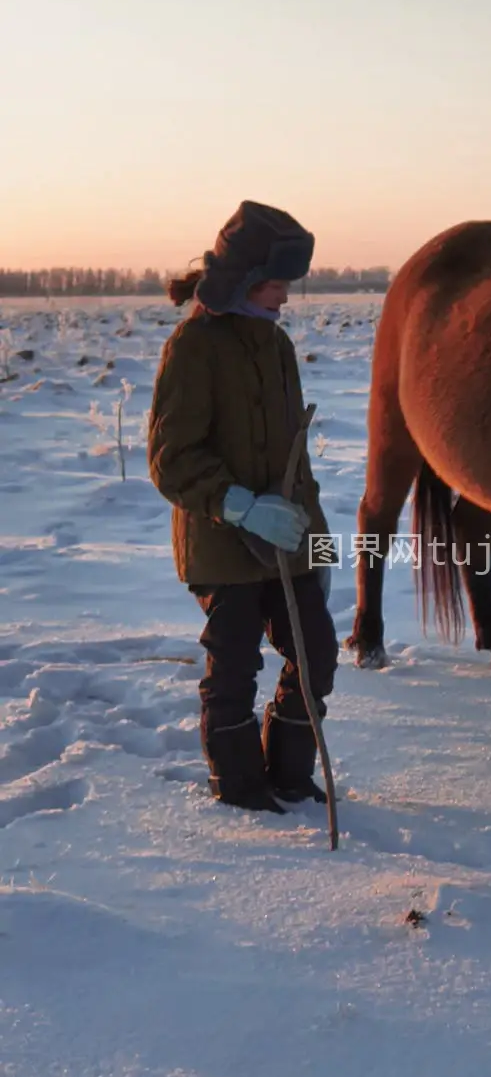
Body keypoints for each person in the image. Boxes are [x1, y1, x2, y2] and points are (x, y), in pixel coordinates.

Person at [147, 200, 338, 814]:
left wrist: (319, 542)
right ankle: (239, 786)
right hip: (222, 542)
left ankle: (288, 774)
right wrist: (241, 507)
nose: (287, 294)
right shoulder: (193, 347)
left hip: (291, 541)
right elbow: (171, 458)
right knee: (233, 668)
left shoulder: (276, 345)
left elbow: (292, 461)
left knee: (317, 655)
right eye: (279, 281)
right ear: (248, 277)